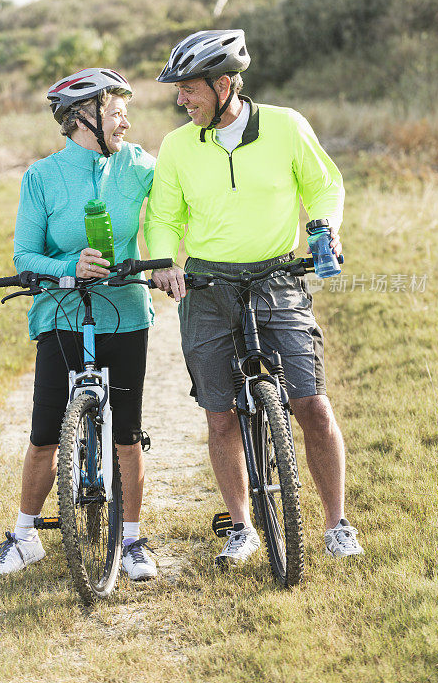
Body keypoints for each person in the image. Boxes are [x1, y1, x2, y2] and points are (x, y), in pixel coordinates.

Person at [144, 29, 364, 566]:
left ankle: (337, 523)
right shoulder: (177, 146)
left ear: (224, 86)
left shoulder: (286, 126)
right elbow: (165, 216)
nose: (181, 99)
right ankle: (241, 527)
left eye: (189, 89)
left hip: (277, 277)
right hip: (207, 286)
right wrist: (164, 263)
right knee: (220, 414)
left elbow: (324, 185)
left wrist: (324, 225)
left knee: (310, 401)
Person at [0, 68, 158, 582]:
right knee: (44, 433)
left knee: (126, 432)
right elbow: (24, 253)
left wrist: (173, 262)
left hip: (125, 313)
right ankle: (23, 537)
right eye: (115, 111)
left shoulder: (141, 167)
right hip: (62, 315)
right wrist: (68, 267)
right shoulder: (41, 177)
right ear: (84, 118)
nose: (126, 120)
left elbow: (173, 216)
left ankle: (130, 541)